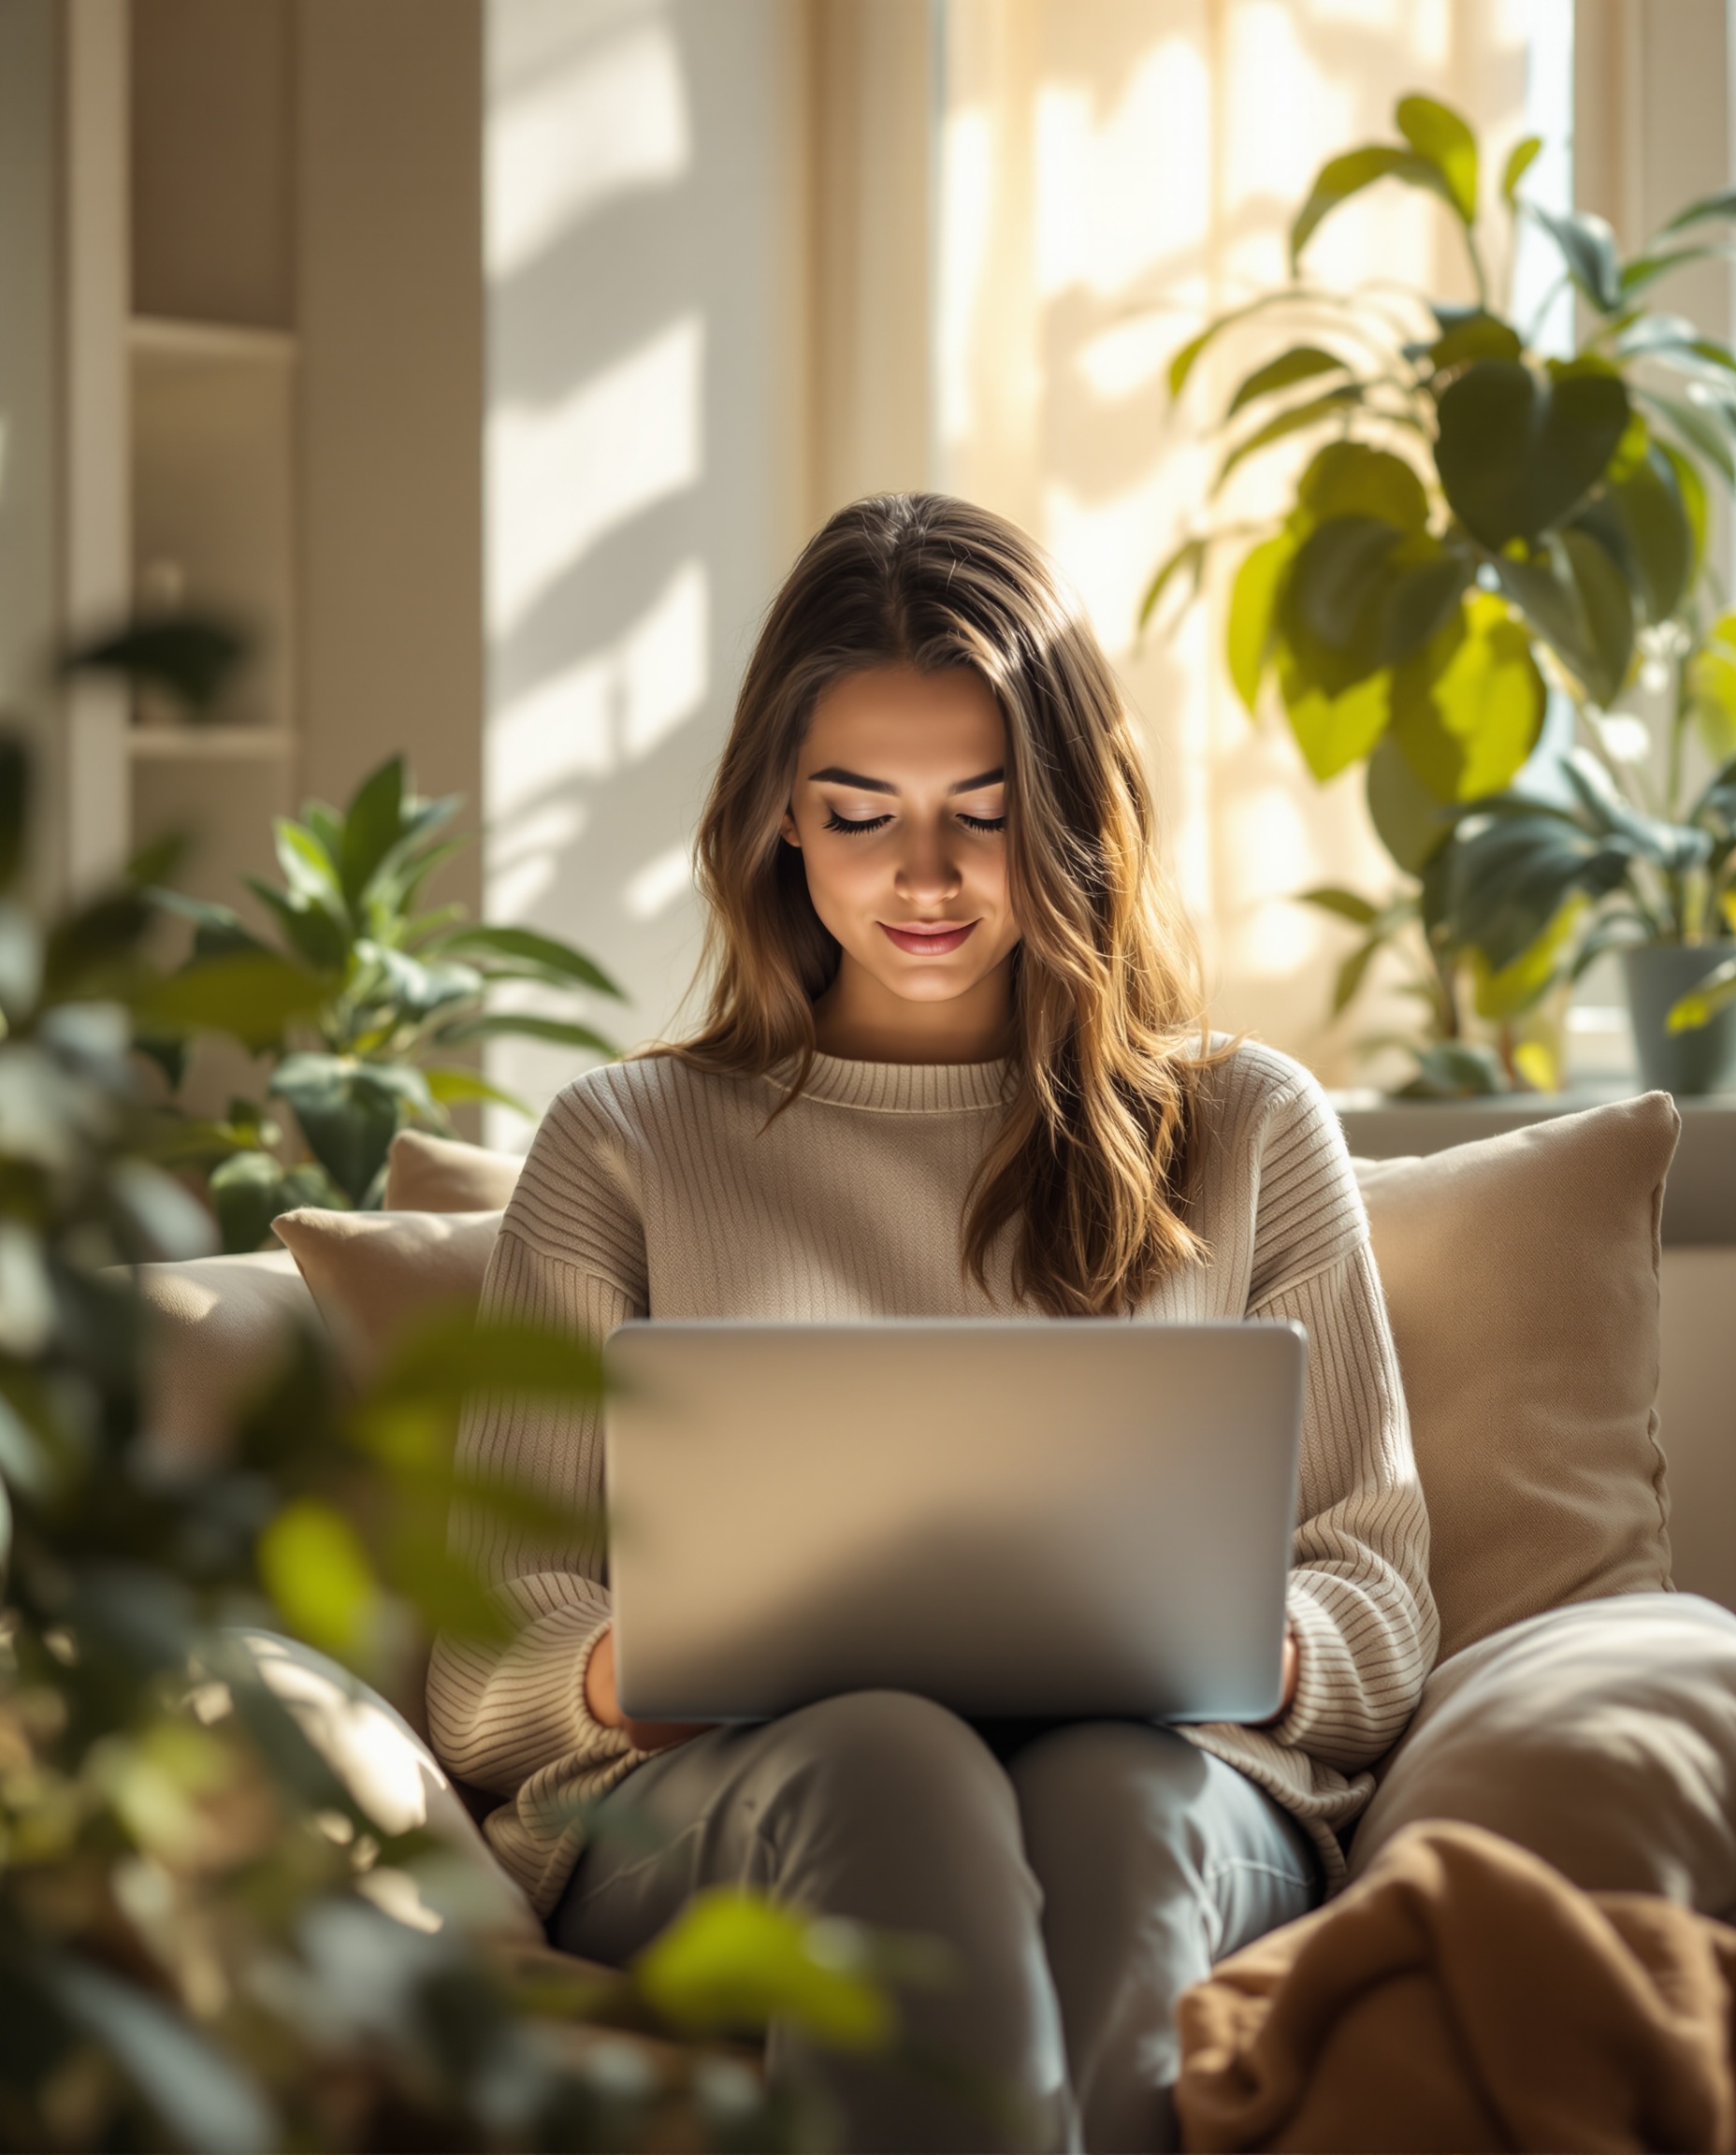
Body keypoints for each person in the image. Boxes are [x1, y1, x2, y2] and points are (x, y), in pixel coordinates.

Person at [427, 494, 1438, 2153]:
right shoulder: (621, 1145)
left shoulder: (1251, 1125)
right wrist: (633, 1675)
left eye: (983, 812)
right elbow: (483, 1656)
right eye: (860, 813)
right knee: (891, 1760)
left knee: (1110, 1797)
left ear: (1075, 816)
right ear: (777, 824)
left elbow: (1381, 1586)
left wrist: (1252, 1647)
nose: (925, 877)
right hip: (732, 1806)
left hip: (1166, 1777)